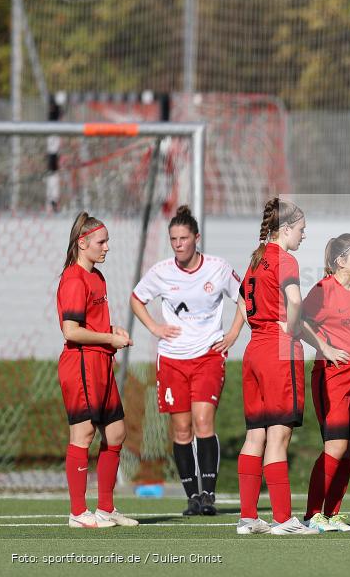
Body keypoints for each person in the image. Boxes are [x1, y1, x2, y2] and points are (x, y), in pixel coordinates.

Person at [131, 206, 245, 516]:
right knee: (181, 430)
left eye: (184, 238)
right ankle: (192, 496)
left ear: (197, 238)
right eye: (173, 239)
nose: (178, 244)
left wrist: (233, 333)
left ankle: (208, 493)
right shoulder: (162, 271)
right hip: (172, 359)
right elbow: (136, 298)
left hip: (208, 355)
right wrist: (154, 327)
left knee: (203, 421)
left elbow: (245, 295)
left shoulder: (218, 268)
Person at [235, 198, 321, 535]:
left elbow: (242, 300)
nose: (303, 237)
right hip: (277, 349)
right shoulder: (286, 259)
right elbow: (295, 301)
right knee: (279, 435)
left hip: (254, 348)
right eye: (301, 230)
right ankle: (284, 519)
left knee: (255, 434)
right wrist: (292, 326)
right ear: (285, 229)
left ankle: (248, 517)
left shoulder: (256, 259)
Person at [57, 212, 138, 528]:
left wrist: (112, 330)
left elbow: (92, 323)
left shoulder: (97, 277)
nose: (107, 248)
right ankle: (78, 513)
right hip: (80, 364)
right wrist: (108, 338)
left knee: (116, 431)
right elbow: (71, 331)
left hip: (101, 363)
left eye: (107, 242)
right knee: (84, 433)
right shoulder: (74, 279)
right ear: (83, 242)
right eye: (101, 242)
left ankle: (105, 508)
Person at [302, 234, 350, 533]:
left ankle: (332, 514)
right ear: (340, 261)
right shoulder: (322, 290)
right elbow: (300, 321)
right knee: (336, 444)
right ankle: (312, 514)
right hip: (331, 374)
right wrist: (325, 347)